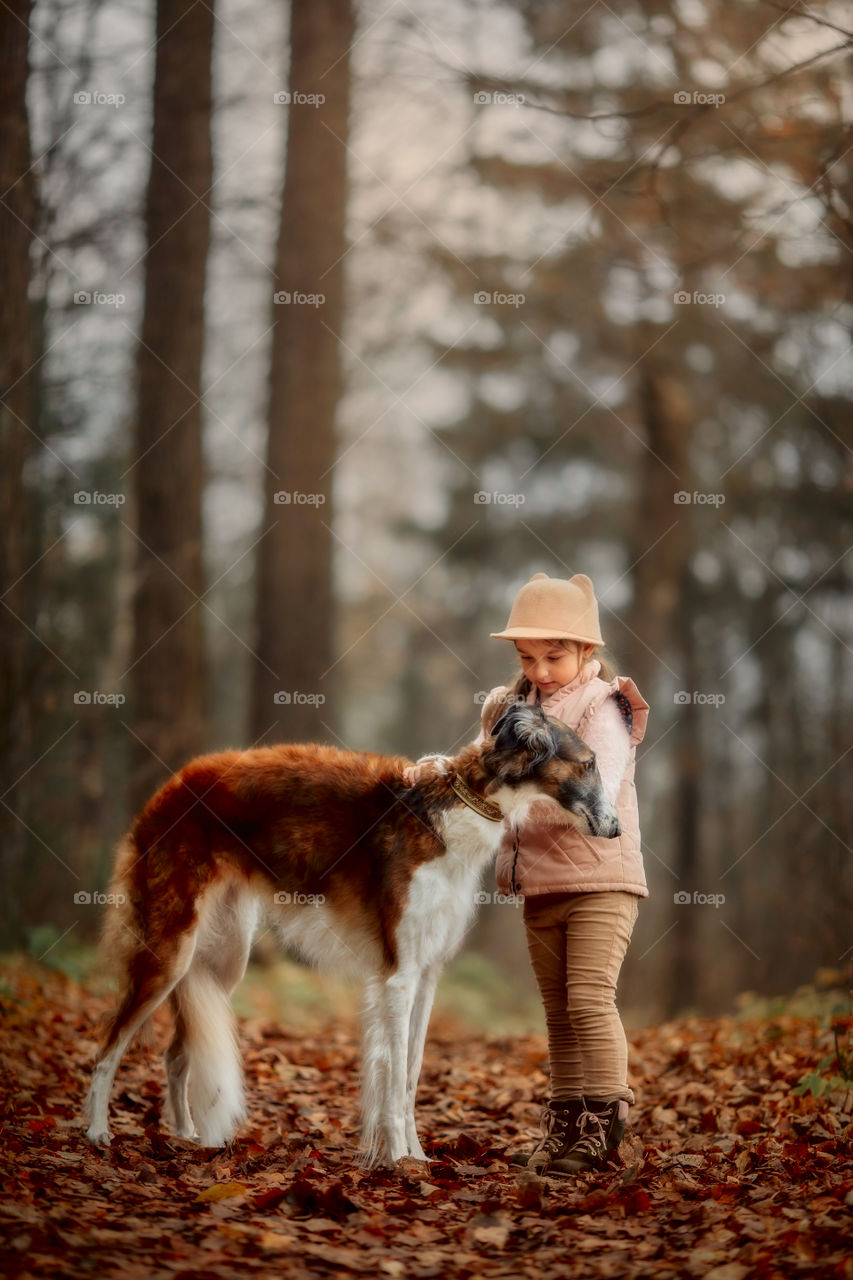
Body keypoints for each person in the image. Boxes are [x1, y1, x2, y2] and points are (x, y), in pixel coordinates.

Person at [404, 572, 649, 1175]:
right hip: (538, 884)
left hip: (601, 883)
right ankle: (564, 1123)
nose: (539, 671)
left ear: (587, 652)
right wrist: (432, 777)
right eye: (527, 657)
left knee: (590, 1001)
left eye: (554, 656)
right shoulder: (511, 711)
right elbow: (477, 773)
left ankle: (602, 1124)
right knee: (558, 1013)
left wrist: (511, 797)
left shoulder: (604, 707)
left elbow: (600, 798)